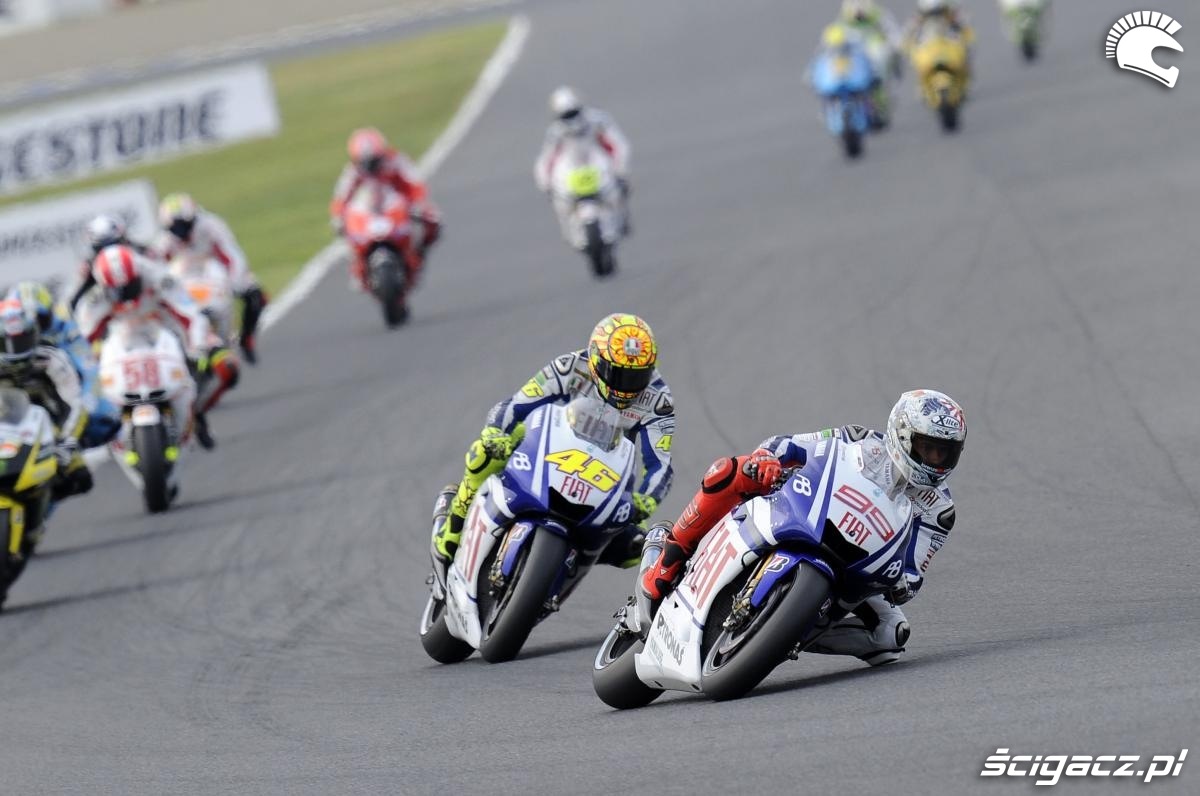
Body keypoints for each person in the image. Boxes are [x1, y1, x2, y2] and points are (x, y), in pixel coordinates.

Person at [640, 389, 965, 666]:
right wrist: (768, 459)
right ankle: (671, 554)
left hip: (861, 565)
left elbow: (912, 573)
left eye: (944, 453)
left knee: (892, 635)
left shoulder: (940, 510)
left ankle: (782, 634)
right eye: (928, 447)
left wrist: (902, 584)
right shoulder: (856, 439)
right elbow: (790, 445)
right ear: (903, 434)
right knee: (732, 471)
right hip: (805, 513)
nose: (935, 460)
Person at [430, 313, 675, 583]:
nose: (625, 386)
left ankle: (559, 573)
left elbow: (660, 464)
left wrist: (646, 499)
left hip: (606, 472)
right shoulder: (570, 366)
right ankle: (452, 531)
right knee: (483, 454)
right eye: (616, 374)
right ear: (595, 361)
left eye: (636, 376)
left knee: (633, 546)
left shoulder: (657, 399)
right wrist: (495, 433)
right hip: (550, 445)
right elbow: (515, 405)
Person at [85, 244, 231, 450]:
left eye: (130, 286)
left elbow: (191, 315)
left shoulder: (159, 277)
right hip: (121, 333)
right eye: (117, 290)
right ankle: (115, 428)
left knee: (191, 366)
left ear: (137, 274)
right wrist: (90, 365)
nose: (125, 295)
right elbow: (83, 338)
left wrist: (196, 347)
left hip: (163, 325)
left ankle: (196, 416)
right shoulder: (94, 298)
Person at [155, 193, 268, 364]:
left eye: (183, 226)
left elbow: (232, 256)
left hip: (217, 273)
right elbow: (156, 263)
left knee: (256, 296)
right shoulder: (167, 238)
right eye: (174, 228)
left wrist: (235, 281)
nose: (180, 233)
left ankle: (246, 338)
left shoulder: (211, 226)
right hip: (185, 278)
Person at [7, 281, 120, 449]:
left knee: (101, 415)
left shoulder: (67, 331)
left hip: (67, 394)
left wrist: (87, 402)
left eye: (41, 319)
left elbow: (89, 370)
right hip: (25, 402)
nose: (37, 327)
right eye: (31, 322)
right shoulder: (13, 346)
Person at [0, 298, 94, 501]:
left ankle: (40, 514)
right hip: (3, 426)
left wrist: (68, 441)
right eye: (6, 343)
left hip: (47, 429)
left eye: (21, 340)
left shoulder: (52, 358)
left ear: (34, 334)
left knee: (79, 477)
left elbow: (77, 403)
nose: (15, 350)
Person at [329, 127, 442, 291]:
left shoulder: (396, 161)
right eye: (364, 162)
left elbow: (414, 184)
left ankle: (419, 253)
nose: (370, 166)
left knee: (433, 220)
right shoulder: (352, 172)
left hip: (398, 204)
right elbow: (341, 197)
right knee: (346, 232)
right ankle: (359, 269)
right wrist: (338, 217)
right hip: (371, 211)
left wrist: (418, 203)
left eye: (373, 161)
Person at [534, 86, 632, 235]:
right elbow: (546, 160)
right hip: (571, 171)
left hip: (597, 165)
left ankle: (622, 219)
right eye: (565, 116)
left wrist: (620, 169)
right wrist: (545, 183)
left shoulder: (598, 120)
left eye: (573, 113)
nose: (571, 119)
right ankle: (568, 231)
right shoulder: (555, 133)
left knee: (618, 191)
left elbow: (618, 144)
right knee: (560, 203)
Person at [67, 214, 158, 314]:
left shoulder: (140, 253)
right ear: (94, 247)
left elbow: (164, 275)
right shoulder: (88, 267)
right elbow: (74, 302)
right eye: (102, 247)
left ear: (123, 238)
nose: (111, 252)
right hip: (116, 315)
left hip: (149, 307)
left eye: (114, 243)